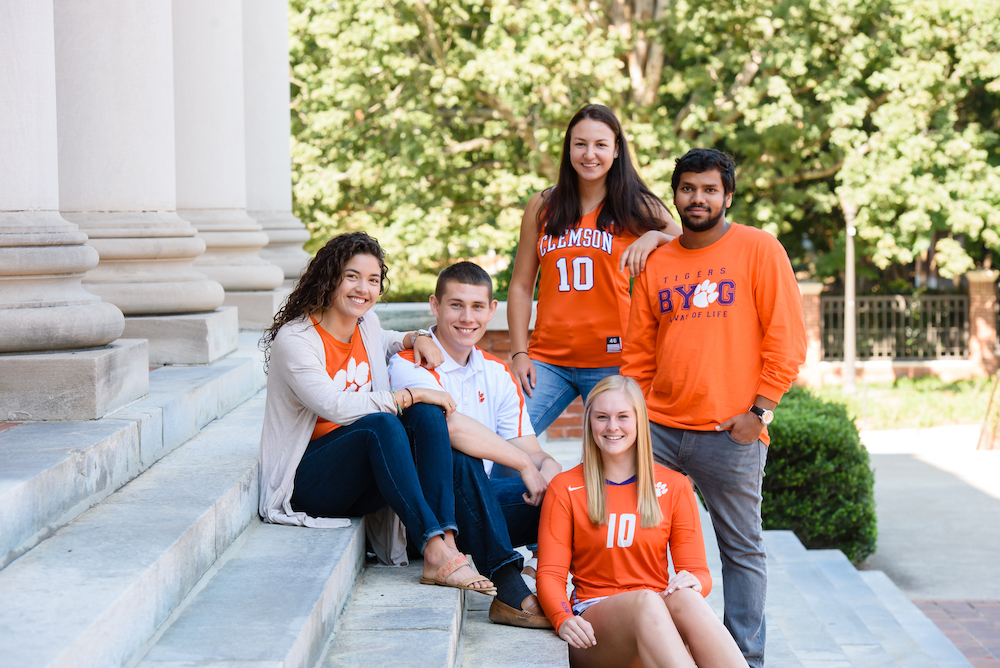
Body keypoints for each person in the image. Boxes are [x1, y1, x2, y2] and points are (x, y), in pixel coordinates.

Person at [621, 149, 807, 667]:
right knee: (641, 540)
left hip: (732, 433)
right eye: (687, 188)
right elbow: (637, 352)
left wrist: (761, 412)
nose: (697, 198)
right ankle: (657, 647)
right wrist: (634, 421)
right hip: (658, 431)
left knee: (741, 550)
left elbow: (787, 340)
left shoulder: (759, 248)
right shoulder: (657, 261)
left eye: (708, 189)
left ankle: (743, 658)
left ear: (727, 196)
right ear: (675, 195)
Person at [258, 231, 495, 595]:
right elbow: (333, 405)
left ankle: (447, 541)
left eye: (372, 280)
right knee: (381, 425)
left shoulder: (364, 323)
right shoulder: (296, 339)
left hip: (356, 478)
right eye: (352, 276)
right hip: (307, 480)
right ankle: (433, 550)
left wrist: (416, 337)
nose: (363, 289)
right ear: (330, 276)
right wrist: (408, 394)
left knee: (427, 413)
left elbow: (384, 340)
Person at [388, 261, 560, 628]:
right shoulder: (409, 362)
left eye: (477, 306)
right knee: (461, 456)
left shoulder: (497, 373)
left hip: (475, 507)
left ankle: (548, 580)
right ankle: (510, 590)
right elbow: (449, 428)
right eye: (456, 305)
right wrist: (524, 465)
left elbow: (531, 447)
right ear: (435, 306)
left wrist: (547, 470)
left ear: (491, 310)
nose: (467, 318)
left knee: (569, 491)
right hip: (423, 521)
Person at [536, 375, 748, 668]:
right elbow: (549, 573)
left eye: (623, 416)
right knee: (646, 601)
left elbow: (699, 572)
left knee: (686, 599)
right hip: (597, 627)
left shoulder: (675, 486)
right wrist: (562, 618)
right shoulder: (565, 487)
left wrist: (695, 581)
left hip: (658, 617)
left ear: (639, 421)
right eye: (602, 417)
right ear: (590, 423)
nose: (612, 426)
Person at [506, 103, 682, 436]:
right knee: (507, 441)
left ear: (616, 150)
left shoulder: (637, 205)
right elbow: (520, 286)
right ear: (568, 148)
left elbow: (693, 248)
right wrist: (518, 352)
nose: (590, 154)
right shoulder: (542, 206)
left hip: (614, 362)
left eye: (600, 144)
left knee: (614, 457)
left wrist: (657, 236)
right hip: (547, 360)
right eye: (580, 143)